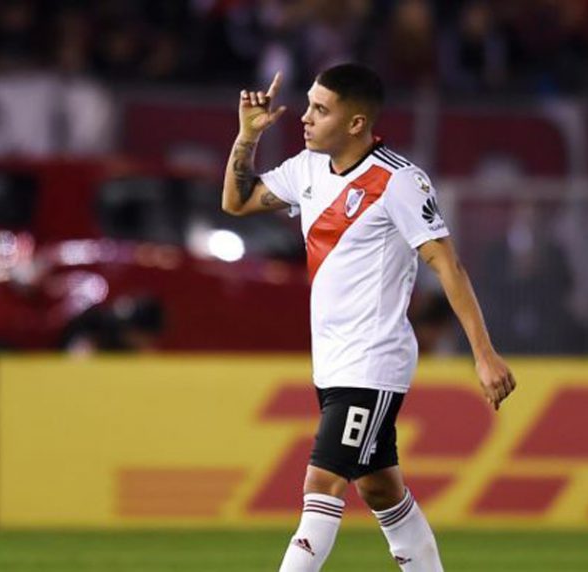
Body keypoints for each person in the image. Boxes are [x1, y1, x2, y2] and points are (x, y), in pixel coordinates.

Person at [221, 63, 516, 571]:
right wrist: (247, 137)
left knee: (321, 484)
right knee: (380, 488)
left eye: (320, 109)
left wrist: (483, 354)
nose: (305, 118)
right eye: (309, 104)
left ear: (356, 123)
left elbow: (447, 264)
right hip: (333, 363)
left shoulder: (399, 181)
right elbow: (237, 201)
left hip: (373, 362)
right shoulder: (308, 169)